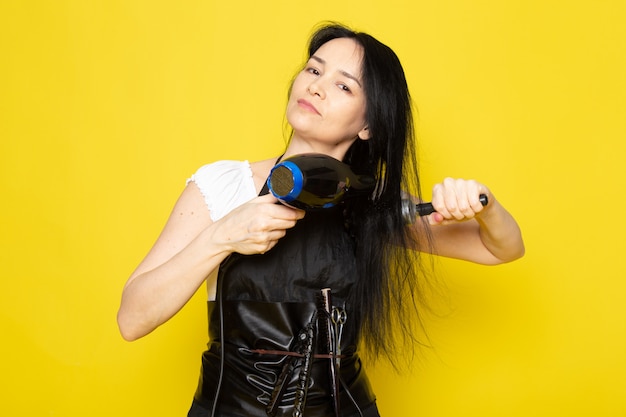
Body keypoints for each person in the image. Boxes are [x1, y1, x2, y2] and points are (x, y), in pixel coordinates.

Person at [117, 23, 524, 417]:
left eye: (343, 85)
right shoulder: (224, 185)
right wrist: (221, 237)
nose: (315, 86)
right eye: (314, 69)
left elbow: (500, 247)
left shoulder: (372, 203)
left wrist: (484, 205)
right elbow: (132, 320)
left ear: (368, 125)